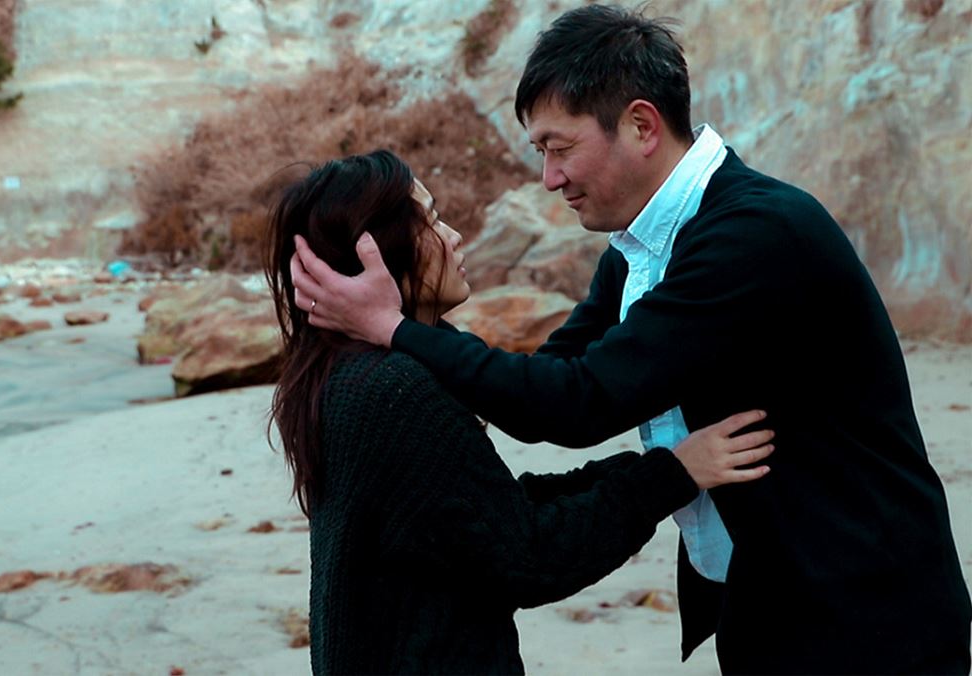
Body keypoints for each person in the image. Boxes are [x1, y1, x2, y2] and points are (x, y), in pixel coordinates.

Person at [289, 6, 972, 675]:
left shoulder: (753, 234)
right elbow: (547, 381)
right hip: (769, 599)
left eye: (560, 148)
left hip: (867, 609)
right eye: (541, 153)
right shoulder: (639, 250)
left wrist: (395, 328)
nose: (550, 178)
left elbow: (577, 402)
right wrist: (409, 339)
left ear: (641, 125)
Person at [265, 149, 776, 675]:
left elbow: (485, 510)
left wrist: (664, 467)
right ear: (377, 252)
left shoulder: (349, 375)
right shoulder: (392, 389)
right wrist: (673, 475)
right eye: (431, 221)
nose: (453, 236)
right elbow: (527, 555)